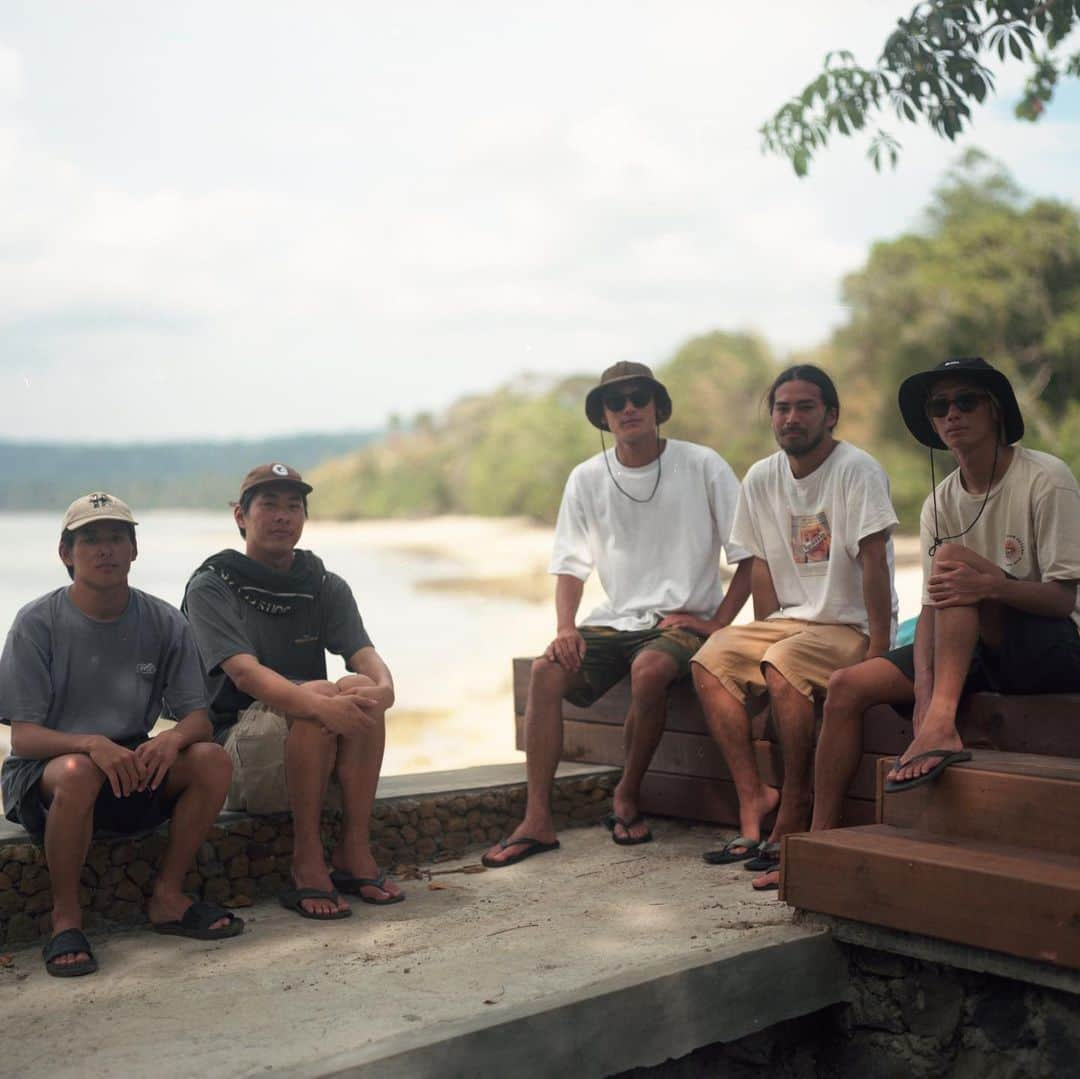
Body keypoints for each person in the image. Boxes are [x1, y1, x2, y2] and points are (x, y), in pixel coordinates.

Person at [482, 361, 752, 866]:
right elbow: (569, 565)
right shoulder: (586, 478)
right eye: (616, 401)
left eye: (639, 398)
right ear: (603, 417)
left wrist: (718, 622)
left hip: (681, 620)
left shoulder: (702, 464)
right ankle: (537, 819)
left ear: (657, 408)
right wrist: (565, 627)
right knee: (545, 670)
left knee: (649, 669)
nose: (628, 407)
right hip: (614, 620)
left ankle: (627, 795)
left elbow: (750, 555)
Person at [810, 357, 1080, 827]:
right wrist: (925, 695)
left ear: (995, 410)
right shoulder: (941, 499)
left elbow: (1062, 599)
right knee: (845, 686)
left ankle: (942, 724)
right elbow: (931, 607)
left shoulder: (1046, 479)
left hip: (1052, 650)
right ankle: (815, 836)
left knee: (953, 562)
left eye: (966, 401)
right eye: (940, 406)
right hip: (971, 650)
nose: (952, 414)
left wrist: (991, 586)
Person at [0, 493, 242, 978]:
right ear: (66, 553)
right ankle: (65, 918)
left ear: (134, 550)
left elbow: (197, 718)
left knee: (212, 759)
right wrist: (90, 743)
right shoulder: (36, 623)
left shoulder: (164, 621)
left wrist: (170, 741)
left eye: (116, 538)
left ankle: (169, 897)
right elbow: (23, 737)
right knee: (78, 770)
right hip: (47, 777)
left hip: (128, 767)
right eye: (90, 539)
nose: (105, 550)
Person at [691, 365, 898, 890]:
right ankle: (754, 796)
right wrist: (759, 639)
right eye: (782, 408)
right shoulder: (761, 476)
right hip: (789, 624)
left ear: (830, 415)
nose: (791, 417)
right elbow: (760, 565)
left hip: (844, 623)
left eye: (805, 407)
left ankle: (797, 801)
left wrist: (879, 647)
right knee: (712, 657)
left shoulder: (857, 470)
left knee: (784, 664)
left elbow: (875, 561)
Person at [182, 464, 400, 920]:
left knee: (359, 688)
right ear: (241, 516)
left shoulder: (321, 584)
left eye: (293, 506)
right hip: (238, 757)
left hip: (311, 753)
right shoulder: (212, 585)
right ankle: (306, 860)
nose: (282, 516)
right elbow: (245, 675)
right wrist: (321, 704)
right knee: (320, 692)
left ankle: (353, 851)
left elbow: (364, 655)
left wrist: (384, 690)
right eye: (268, 505)